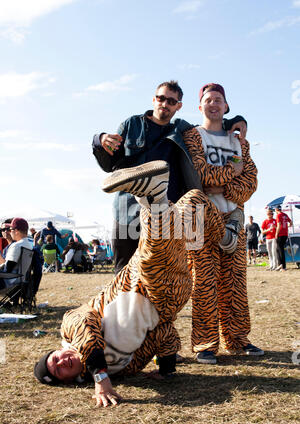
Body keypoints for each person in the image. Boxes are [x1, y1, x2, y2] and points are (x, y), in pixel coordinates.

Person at [34, 161, 226, 406]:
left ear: (59, 349)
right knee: (188, 216)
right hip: (169, 301)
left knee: (154, 254)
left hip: (137, 282)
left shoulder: (70, 329)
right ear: (70, 381)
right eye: (59, 370)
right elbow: (162, 334)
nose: (63, 362)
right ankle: (223, 233)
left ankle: (154, 197)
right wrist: (167, 368)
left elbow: (85, 323)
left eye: (56, 358)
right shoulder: (124, 369)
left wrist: (100, 376)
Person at [92, 80, 247, 274]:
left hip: (163, 211)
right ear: (154, 99)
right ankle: (124, 305)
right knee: (124, 272)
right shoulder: (131, 124)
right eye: (161, 98)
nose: (165, 104)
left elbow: (210, 123)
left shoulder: (181, 130)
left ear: (178, 106)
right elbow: (109, 166)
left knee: (159, 274)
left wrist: (235, 121)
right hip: (127, 208)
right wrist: (99, 140)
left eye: (171, 101)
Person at [182, 83, 263, 364]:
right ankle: (205, 344)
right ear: (200, 106)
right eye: (208, 100)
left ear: (226, 107)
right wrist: (233, 171)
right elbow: (200, 175)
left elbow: (251, 180)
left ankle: (238, 339)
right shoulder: (193, 136)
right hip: (199, 218)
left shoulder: (239, 141)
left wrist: (224, 189)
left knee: (235, 282)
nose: (213, 104)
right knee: (202, 282)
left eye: (218, 100)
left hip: (233, 217)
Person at [0, 218, 32, 290]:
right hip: (21, 282)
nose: (10, 232)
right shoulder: (29, 245)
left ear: (16, 231)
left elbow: (7, 269)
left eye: (11, 230)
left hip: (9, 283)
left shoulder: (16, 246)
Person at [275, 205, 292, 271]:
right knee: (279, 249)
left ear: (276, 210)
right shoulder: (285, 214)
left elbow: (279, 225)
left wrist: (276, 233)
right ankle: (281, 265)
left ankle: (282, 266)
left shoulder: (278, 215)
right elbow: (291, 223)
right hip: (285, 234)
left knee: (280, 250)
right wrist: (286, 226)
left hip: (280, 234)